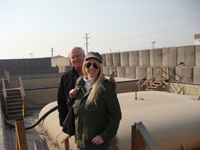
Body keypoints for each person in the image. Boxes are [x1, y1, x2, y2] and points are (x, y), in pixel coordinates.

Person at [69, 52, 122, 150]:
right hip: (81, 144)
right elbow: (76, 111)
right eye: (88, 64)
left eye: (95, 65)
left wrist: (104, 136)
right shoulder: (79, 84)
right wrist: (71, 97)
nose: (91, 68)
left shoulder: (105, 88)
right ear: (84, 66)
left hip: (97, 146)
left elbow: (116, 115)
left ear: (100, 67)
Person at [57, 47, 85, 127]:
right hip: (74, 123)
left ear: (84, 57)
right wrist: (63, 122)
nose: (76, 59)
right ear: (70, 59)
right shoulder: (65, 78)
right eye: (73, 57)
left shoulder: (92, 76)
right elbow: (61, 101)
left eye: (78, 56)